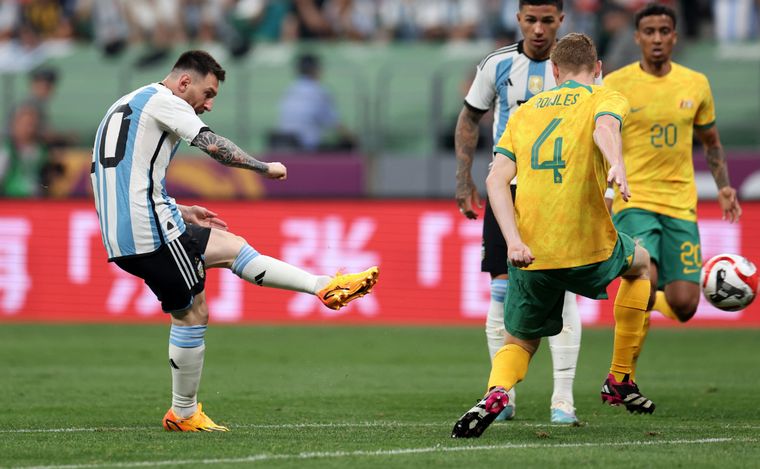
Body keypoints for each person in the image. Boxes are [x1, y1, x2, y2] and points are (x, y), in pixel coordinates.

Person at [90, 50, 379, 432]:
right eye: (207, 93)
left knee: (231, 247)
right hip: (149, 230)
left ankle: (322, 286)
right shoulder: (167, 101)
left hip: (135, 223)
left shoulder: (129, 102)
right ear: (184, 83)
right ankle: (183, 413)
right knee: (192, 312)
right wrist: (264, 167)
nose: (208, 104)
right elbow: (213, 146)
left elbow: (121, 174)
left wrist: (180, 207)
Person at [452, 32, 655, 439]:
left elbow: (495, 180)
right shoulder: (604, 95)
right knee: (642, 264)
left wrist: (513, 242)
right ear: (598, 69)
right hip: (588, 246)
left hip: (532, 252)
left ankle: (497, 391)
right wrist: (616, 163)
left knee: (521, 341)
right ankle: (620, 376)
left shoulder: (524, 113)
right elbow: (604, 129)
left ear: (555, 71)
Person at [454, 0, 582, 424]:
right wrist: (463, 176)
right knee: (503, 288)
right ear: (519, 20)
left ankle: (562, 398)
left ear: (561, 20)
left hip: (560, 191)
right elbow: (470, 118)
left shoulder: (575, 67)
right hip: (506, 189)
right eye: (531, 20)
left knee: (560, 286)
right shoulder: (498, 64)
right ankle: (502, 392)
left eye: (548, 20)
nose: (539, 28)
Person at [602, 3, 741, 383]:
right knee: (642, 283)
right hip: (635, 201)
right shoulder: (616, 84)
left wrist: (725, 185)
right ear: (637, 37)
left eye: (665, 31)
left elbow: (710, 141)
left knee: (683, 306)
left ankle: (646, 323)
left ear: (675, 37)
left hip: (681, 204)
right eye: (650, 32)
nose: (658, 39)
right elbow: (601, 139)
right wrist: (606, 192)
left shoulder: (695, 83)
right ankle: (622, 377)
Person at [274, 52, 355, 151]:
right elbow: (335, 123)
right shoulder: (319, 91)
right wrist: (353, 139)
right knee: (348, 146)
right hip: (306, 146)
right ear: (315, 69)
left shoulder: (289, 90)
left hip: (285, 143)